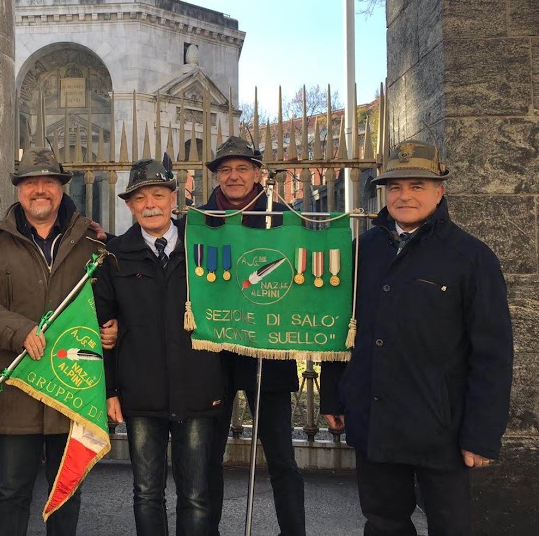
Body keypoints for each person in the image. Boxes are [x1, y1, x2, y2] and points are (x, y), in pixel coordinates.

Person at [320, 139, 513, 535]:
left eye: (417, 186)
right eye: (395, 187)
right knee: (383, 522)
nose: (404, 196)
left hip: (440, 425)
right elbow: (339, 327)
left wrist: (481, 434)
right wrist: (333, 394)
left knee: (450, 525)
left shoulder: (471, 257)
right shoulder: (362, 250)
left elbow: (492, 353)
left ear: (440, 191)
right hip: (375, 417)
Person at [0, 147, 116, 536]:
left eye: (48, 182)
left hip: (72, 385)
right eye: (30, 183)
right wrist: (18, 329)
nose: (39, 190)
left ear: (62, 189)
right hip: (18, 385)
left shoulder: (92, 244)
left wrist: (113, 327)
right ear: (19, 190)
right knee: (11, 491)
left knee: (67, 490)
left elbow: (110, 301)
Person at [95, 158, 226, 536]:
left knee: (197, 494)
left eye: (158, 194)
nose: (150, 204)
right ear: (129, 205)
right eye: (140, 198)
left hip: (198, 387)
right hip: (141, 394)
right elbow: (102, 328)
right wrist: (110, 390)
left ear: (174, 200)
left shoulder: (203, 246)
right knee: (147, 492)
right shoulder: (114, 256)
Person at [200, 136, 305, 536]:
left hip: (270, 349)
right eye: (225, 169)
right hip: (215, 350)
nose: (233, 176)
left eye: (242, 168)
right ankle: (207, 529)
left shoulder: (284, 216)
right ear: (216, 176)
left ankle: (294, 531)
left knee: (282, 455)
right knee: (209, 455)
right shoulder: (198, 219)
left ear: (257, 173)